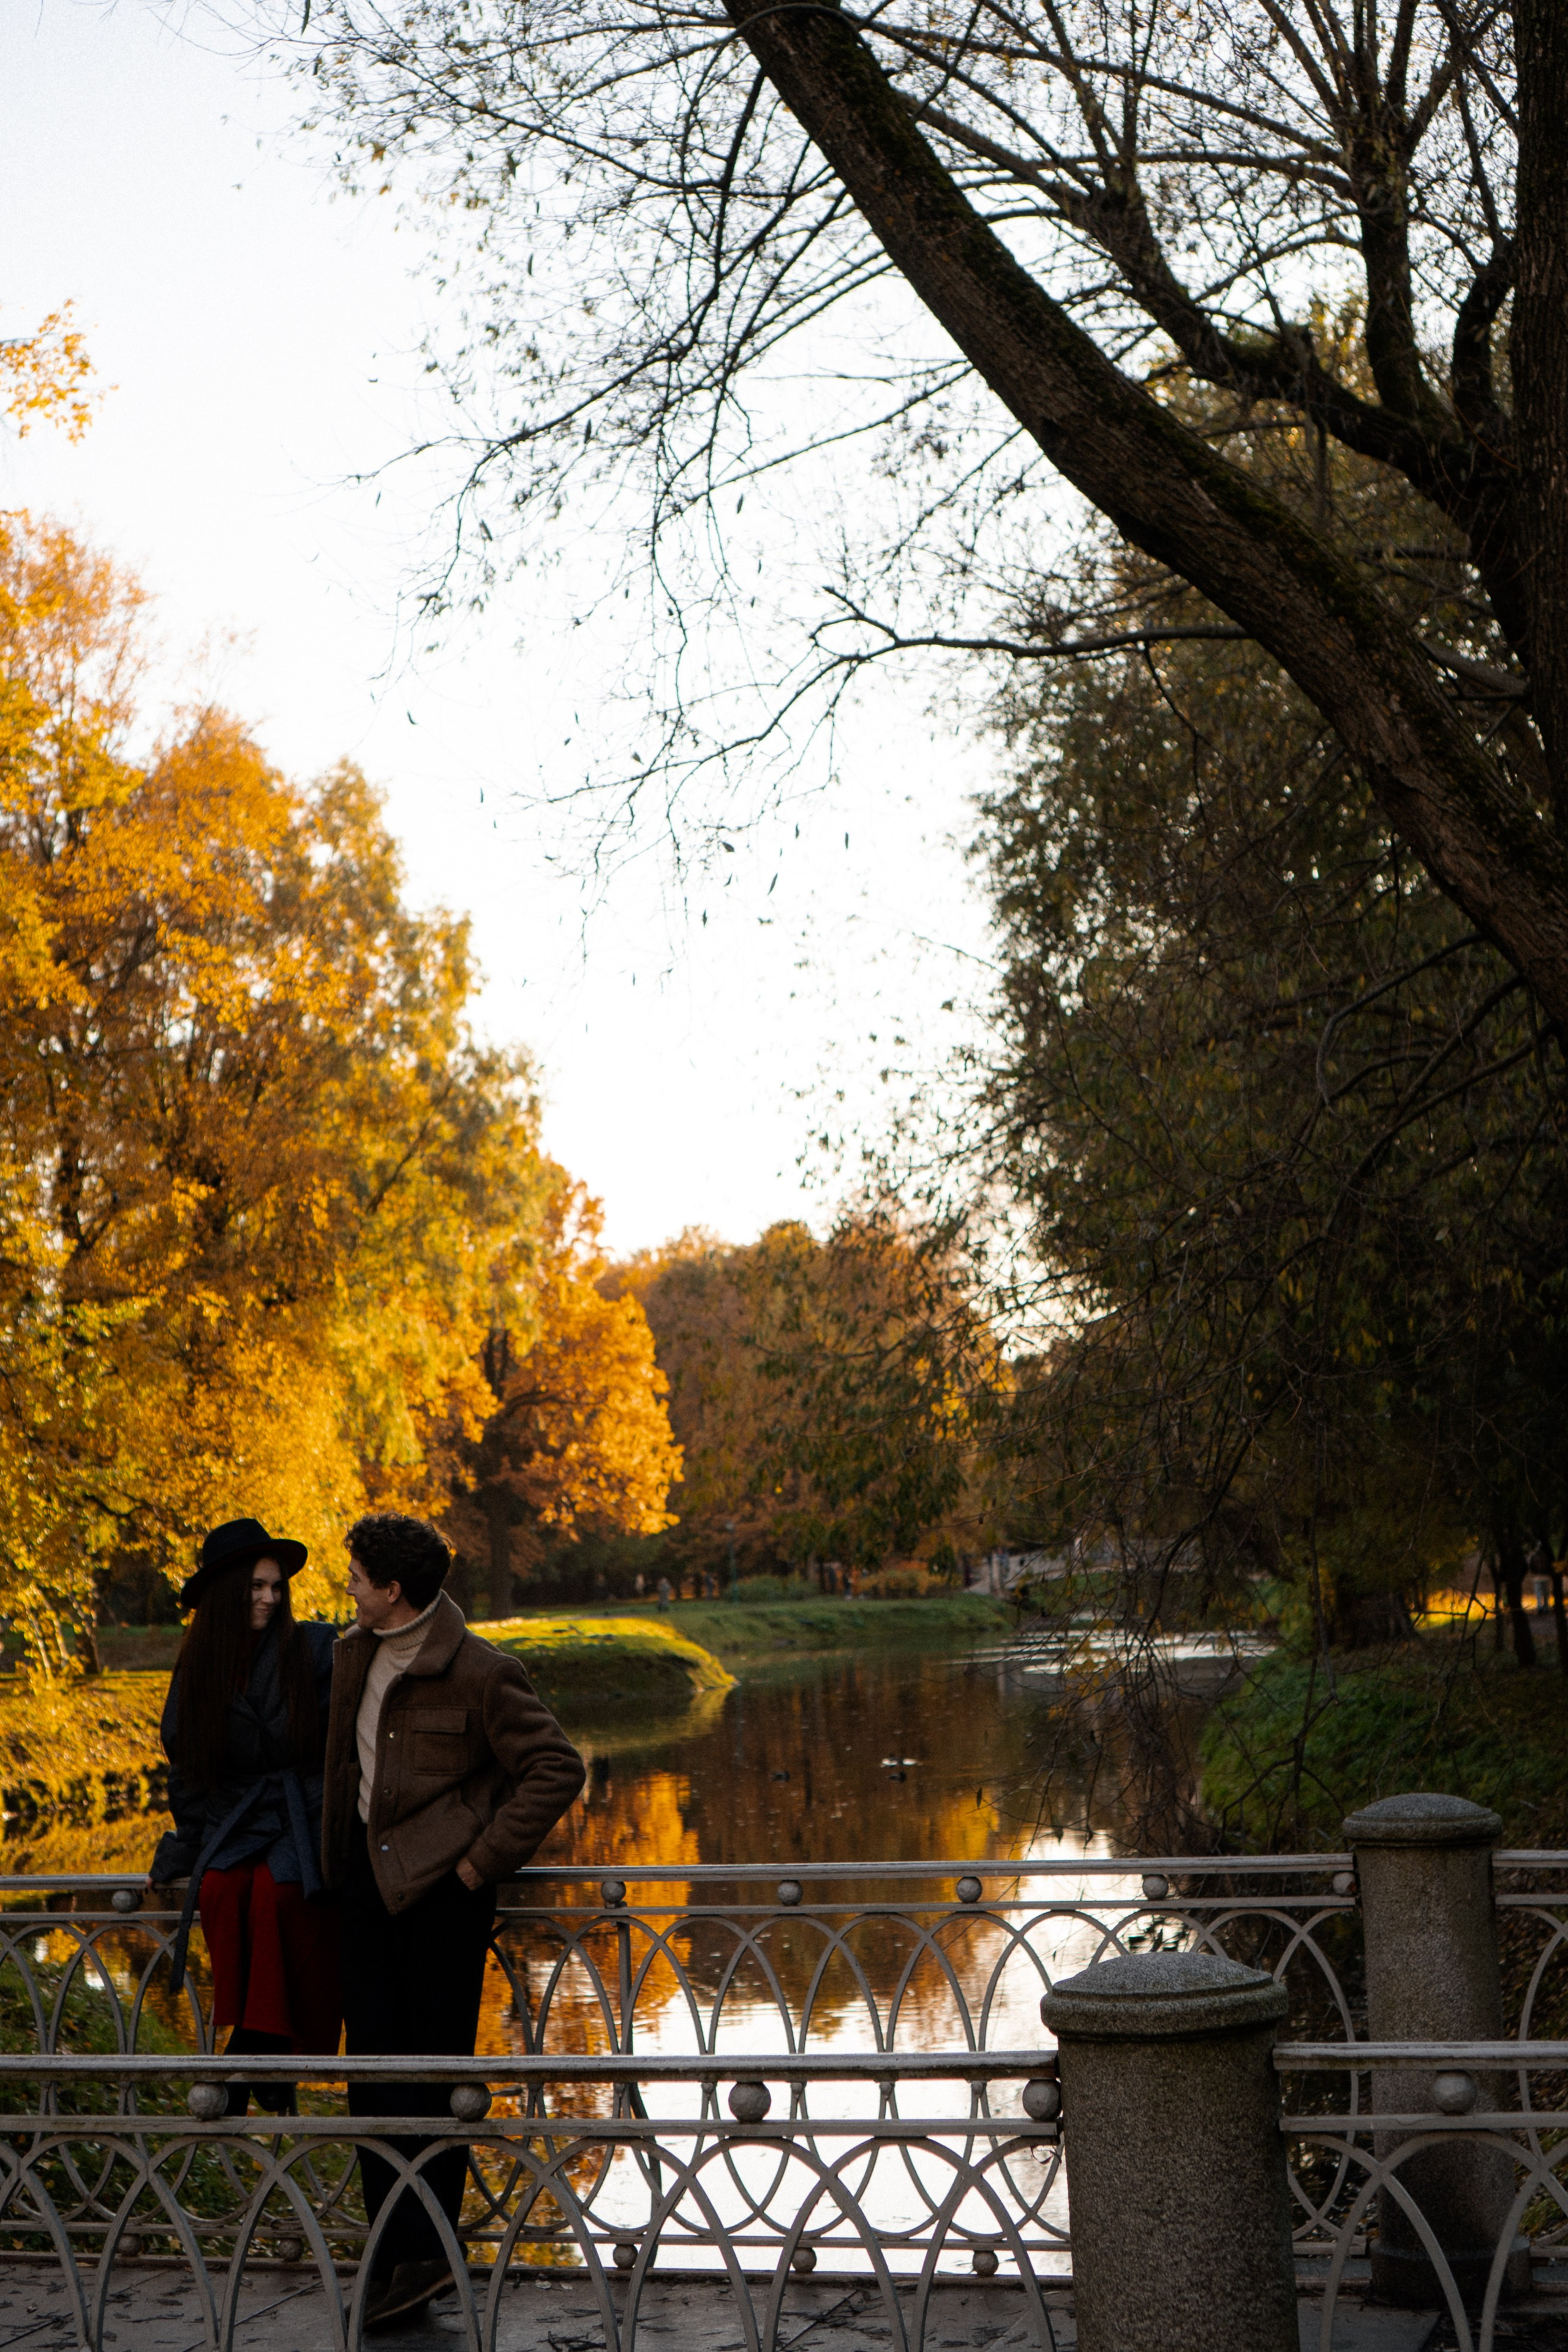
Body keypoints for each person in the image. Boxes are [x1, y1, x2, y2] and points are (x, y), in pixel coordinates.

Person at [322, 1512, 585, 2333]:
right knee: (372, 2080)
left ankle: (431, 2251)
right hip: (364, 1895)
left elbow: (555, 1768)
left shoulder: (481, 1671)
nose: (348, 1589)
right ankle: (390, 2253)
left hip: (443, 1899)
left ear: (393, 1589)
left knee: (433, 2078)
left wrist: (480, 1864)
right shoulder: (351, 1654)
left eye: (357, 1578)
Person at [150, 1517, 340, 2113]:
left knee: (280, 1893)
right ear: (228, 1592)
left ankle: (255, 2048)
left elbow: (339, 1753)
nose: (269, 1598)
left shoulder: (313, 1649)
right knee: (222, 1889)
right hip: (236, 1815)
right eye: (257, 1587)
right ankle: (261, 2048)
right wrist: (187, 1843)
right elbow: (189, 1766)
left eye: (276, 1587)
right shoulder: (200, 1666)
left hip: (304, 1810)